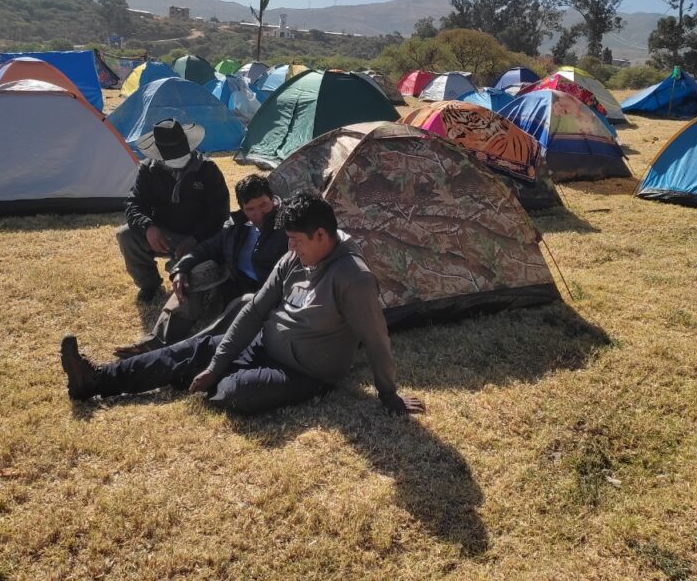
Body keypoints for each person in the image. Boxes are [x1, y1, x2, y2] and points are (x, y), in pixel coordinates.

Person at [62, 192, 425, 416]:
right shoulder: (295, 257)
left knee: (235, 394)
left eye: (297, 240)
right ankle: (95, 381)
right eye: (289, 240)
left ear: (321, 235)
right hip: (263, 345)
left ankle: (192, 374)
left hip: (303, 372)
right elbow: (255, 309)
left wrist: (389, 394)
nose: (291, 249)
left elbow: (377, 341)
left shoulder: (352, 277)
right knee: (196, 349)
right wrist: (218, 360)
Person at [113, 174, 288, 357]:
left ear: (273, 200)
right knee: (194, 274)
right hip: (233, 284)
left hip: (264, 294)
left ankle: (183, 354)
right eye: (250, 209)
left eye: (263, 205)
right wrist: (181, 268)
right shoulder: (236, 226)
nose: (258, 214)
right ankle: (158, 341)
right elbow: (206, 249)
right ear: (242, 209)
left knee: (232, 320)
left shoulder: (288, 226)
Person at [116, 119, 230, 302]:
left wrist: (195, 239)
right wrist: (148, 228)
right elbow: (134, 204)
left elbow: (219, 213)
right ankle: (149, 285)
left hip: (201, 237)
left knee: (202, 284)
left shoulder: (208, 169)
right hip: (165, 235)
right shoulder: (148, 170)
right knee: (126, 235)